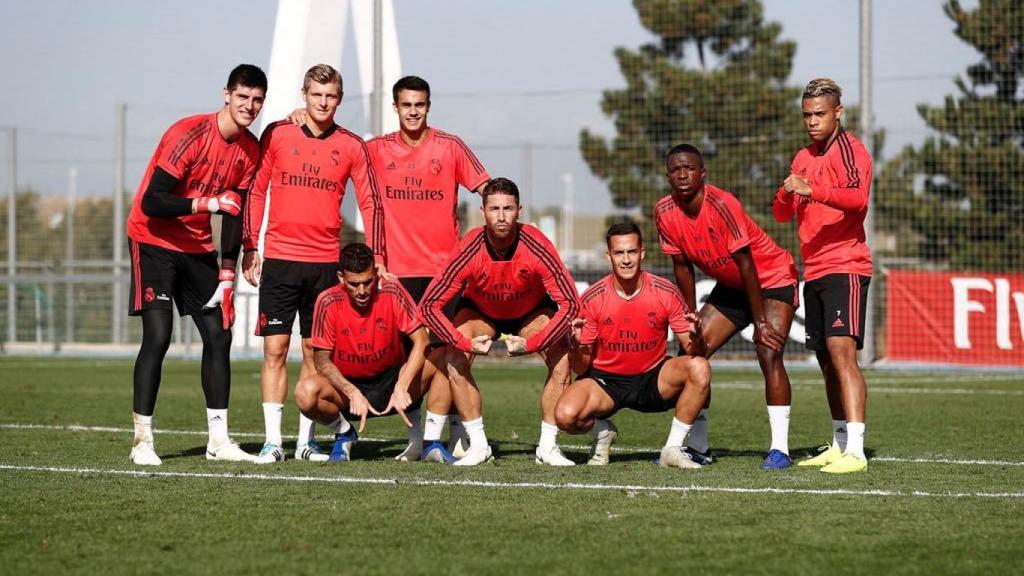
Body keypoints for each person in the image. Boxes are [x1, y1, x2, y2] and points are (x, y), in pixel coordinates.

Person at [290, 76, 491, 457]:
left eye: (419, 104)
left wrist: (489, 232)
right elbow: (337, 144)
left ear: (428, 106)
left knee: (449, 354)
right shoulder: (376, 150)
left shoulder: (450, 147)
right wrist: (302, 121)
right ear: (395, 108)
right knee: (408, 358)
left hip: (443, 273)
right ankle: (418, 438)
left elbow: (486, 188)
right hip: (396, 274)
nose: (413, 111)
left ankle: (454, 432)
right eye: (406, 105)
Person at [241, 64, 385, 464]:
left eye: (331, 96)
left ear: (340, 99)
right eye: (316, 95)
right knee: (274, 350)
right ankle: (273, 443)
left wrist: (379, 256)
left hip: (324, 264)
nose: (323, 103)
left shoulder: (353, 145)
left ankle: (306, 443)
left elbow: (371, 203)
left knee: (313, 354)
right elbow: (256, 191)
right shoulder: (277, 133)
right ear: (303, 94)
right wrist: (249, 245)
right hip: (281, 261)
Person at [125, 64, 267, 465]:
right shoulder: (188, 133)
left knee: (219, 333)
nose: (249, 106)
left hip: (196, 245)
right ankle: (142, 442)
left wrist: (227, 274)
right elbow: (152, 201)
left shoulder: (250, 149)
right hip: (152, 238)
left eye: (257, 100)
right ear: (226, 94)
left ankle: (218, 441)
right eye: (243, 97)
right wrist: (205, 203)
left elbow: (235, 213)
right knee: (159, 335)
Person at [655, 144, 800, 469]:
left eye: (689, 168)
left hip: (771, 278)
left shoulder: (722, 203)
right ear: (667, 177)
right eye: (675, 169)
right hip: (733, 287)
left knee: (768, 350)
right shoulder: (664, 212)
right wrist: (688, 316)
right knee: (692, 353)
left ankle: (780, 450)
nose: (682, 174)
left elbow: (746, 263)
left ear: (702, 174)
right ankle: (698, 447)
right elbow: (681, 267)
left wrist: (761, 320)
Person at [419, 177, 580, 466]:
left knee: (562, 355)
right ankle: (479, 446)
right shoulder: (469, 247)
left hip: (530, 311)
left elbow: (570, 303)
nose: (501, 216)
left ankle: (547, 447)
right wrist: (462, 341)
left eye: (508, 208)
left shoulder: (536, 244)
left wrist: (533, 343)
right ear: (483, 212)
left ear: (519, 211)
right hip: (482, 312)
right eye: (494, 208)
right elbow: (428, 306)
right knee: (455, 355)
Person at [773, 78, 873, 474]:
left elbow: (857, 199)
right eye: (807, 115)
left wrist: (812, 189)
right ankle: (839, 443)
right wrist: (787, 192)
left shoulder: (852, 150)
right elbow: (782, 212)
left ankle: (858, 452)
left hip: (846, 266)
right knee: (826, 361)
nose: (812, 122)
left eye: (819, 114)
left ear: (837, 113)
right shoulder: (802, 156)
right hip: (813, 270)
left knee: (841, 353)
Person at [555, 222, 711, 468]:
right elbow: (580, 367)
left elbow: (695, 352)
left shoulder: (665, 291)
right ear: (609, 256)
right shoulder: (593, 298)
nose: (626, 260)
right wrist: (575, 346)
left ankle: (672, 449)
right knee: (564, 416)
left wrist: (698, 336)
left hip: (652, 378)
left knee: (700, 367)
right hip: (606, 382)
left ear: (642, 253)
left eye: (631, 252)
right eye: (619, 253)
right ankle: (603, 432)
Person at [297, 243, 448, 462]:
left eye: (367, 282)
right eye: (354, 284)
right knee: (305, 393)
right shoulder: (327, 301)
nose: (361, 291)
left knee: (444, 356)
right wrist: (351, 391)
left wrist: (402, 385)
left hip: (394, 381)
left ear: (376, 274)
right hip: (348, 390)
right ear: (341, 277)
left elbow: (421, 341)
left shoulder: (392, 290)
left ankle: (430, 443)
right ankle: (345, 433)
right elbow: (321, 362)